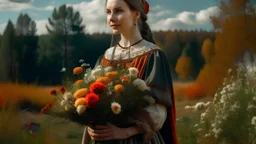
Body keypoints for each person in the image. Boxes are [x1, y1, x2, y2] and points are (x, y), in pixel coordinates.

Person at [82, 0, 177, 143]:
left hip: (137, 140)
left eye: (118, 11)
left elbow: (158, 111)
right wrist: (92, 125)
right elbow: (92, 101)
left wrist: (125, 132)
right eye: (108, 12)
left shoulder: (153, 55)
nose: (111, 18)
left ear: (136, 14)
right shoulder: (105, 58)